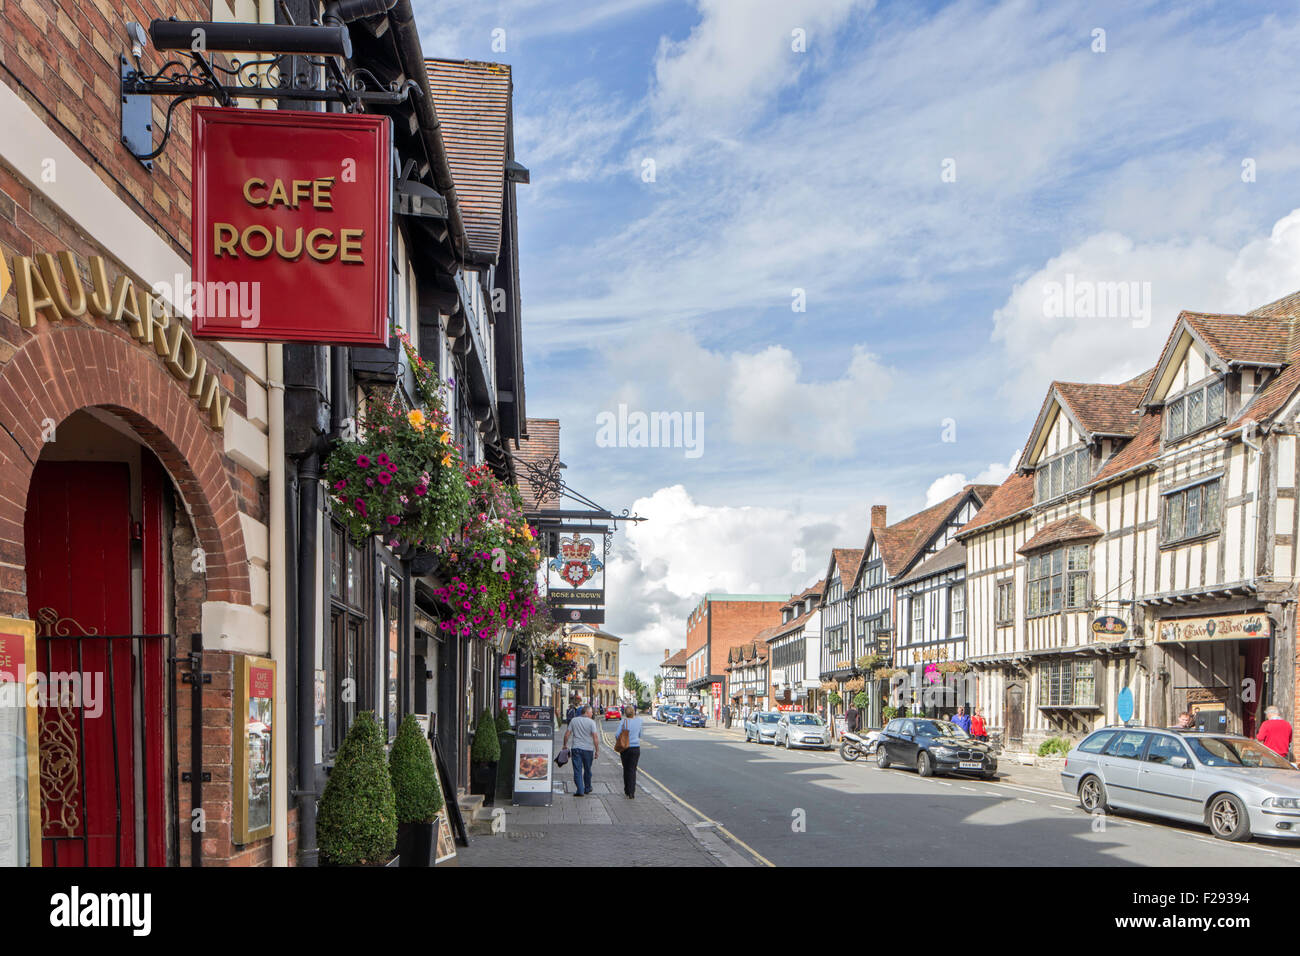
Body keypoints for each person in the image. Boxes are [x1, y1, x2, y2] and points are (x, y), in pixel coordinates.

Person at [562, 705, 600, 796]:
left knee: (577, 770)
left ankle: (580, 790)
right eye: (591, 712)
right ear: (586, 712)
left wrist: (564, 745)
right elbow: (595, 737)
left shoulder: (574, 720)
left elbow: (567, 734)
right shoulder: (591, 723)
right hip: (588, 750)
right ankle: (587, 788)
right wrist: (597, 750)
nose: (592, 714)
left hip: (576, 749)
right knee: (587, 769)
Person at [617, 704, 643, 798]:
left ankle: (627, 790)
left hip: (625, 748)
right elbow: (640, 734)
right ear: (634, 712)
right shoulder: (639, 721)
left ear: (625, 713)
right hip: (635, 748)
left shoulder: (623, 721)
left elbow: (617, 735)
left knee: (626, 769)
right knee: (632, 769)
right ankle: (632, 792)